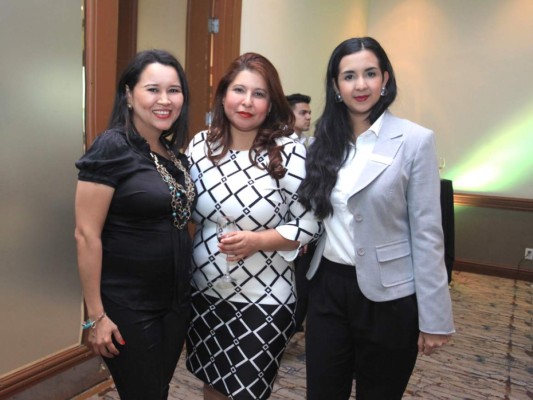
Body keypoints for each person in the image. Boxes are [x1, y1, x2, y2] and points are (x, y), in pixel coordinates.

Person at [297, 37, 455, 400]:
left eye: (370, 73)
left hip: (391, 296)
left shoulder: (415, 140)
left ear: (385, 79)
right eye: (349, 76)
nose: (361, 84)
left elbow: (428, 234)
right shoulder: (320, 143)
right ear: (336, 86)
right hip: (328, 288)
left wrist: (434, 317)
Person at [185, 52, 321, 400]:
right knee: (213, 384)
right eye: (238, 90)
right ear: (223, 95)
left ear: (270, 102)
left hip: (265, 297)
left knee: (247, 390)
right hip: (205, 291)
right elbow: (184, 210)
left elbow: (309, 223)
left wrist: (258, 240)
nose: (246, 102)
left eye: (258, 94)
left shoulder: (289, 151)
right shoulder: (201, 146)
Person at [74, 49, 196, 399]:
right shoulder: (112, 147)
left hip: (175, 303)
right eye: (152, 89)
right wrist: (95, 316)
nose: (165, 100)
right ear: (128, 94)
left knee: (156, 390)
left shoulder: (173, 155)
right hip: (128, 304)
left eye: (174, 90)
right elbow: (86, 234)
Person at [285, 93, 315, 334]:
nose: (308, 117)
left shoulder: (310, 145)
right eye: (303, 113)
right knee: (295, 282)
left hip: (311, 224)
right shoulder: (283, 147)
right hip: (291, 227)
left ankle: (296, 325)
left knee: (304, 283)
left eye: (309, 112)